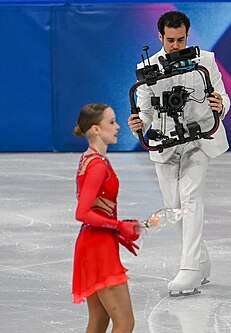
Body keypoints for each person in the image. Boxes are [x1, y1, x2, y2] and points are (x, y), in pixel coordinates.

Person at [127, 11, 230, 296]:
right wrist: (138, 123)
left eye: (181, 39)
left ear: (188, 35)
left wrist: (220, 104)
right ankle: (202, 260)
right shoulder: (146, 68)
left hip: (198, 141)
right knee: (175, 207)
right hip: (164, 144)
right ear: (160, 37)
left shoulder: (205, 60)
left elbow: (224, 97)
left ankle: (190, 270)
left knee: (191, 200)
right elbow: (144, 112)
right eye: (170, 40)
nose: (176, 45)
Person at [72, 103, 142, 333]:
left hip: (92, 244)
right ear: (95, 129)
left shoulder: (89, 159)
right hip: (98, 249)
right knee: (124, 322)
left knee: (99, 321)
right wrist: (118, 225)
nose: (118, 126)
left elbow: (97, 210)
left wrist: (118, 229)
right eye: (111, 122)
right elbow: (82, 213)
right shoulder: (98, 166)